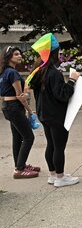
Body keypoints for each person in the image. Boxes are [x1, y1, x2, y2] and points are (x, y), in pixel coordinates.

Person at [27, 33, 80, 187]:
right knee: (59, 147)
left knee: (51, 144)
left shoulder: (39, 71)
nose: (60, 55)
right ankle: (60, 177)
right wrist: (72, 80)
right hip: (56, 116)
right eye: (59, 52)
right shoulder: (54, 73)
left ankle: (52, 174)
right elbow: (63, 95)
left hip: (44, 114)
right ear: (54, 53)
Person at [0, 46, 39, 179]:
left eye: (20, 53)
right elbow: (20, 95)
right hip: (15, 107)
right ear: (9, 57)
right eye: (16, 54)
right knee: (29, 137)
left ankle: (19, 165)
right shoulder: (13, 73)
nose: (20, 56)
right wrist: (30, 111)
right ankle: (20, 169)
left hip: (7, 106)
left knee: (17, 137)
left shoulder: (4, 72)